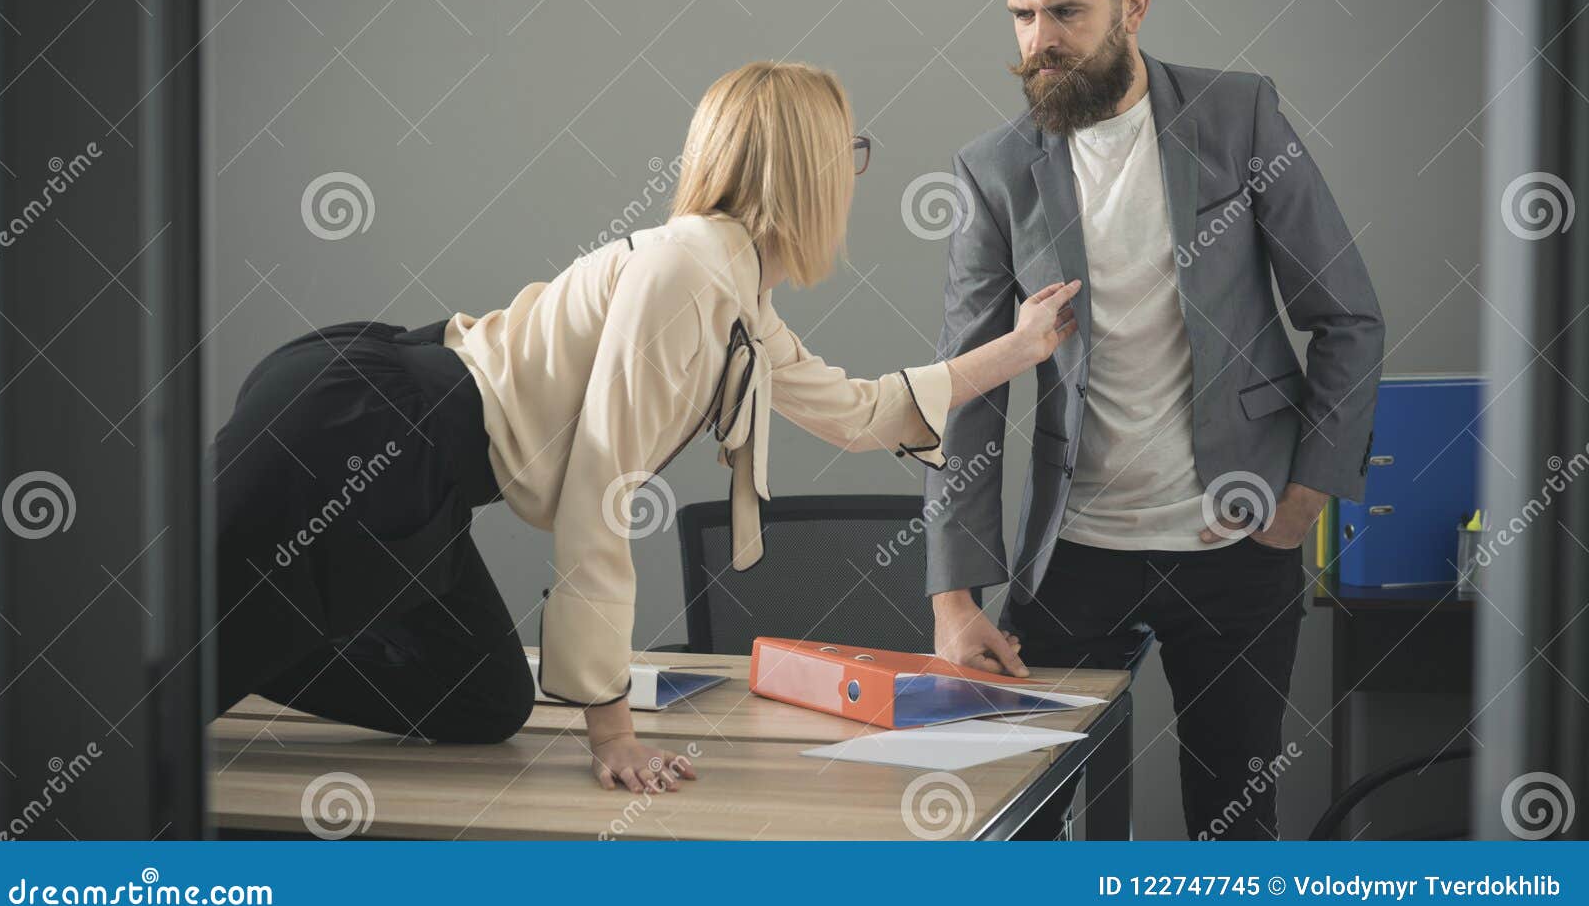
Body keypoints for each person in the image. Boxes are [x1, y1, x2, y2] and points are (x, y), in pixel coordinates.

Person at [210, 60, 1082, 795]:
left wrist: (1020, 347)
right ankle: (227, 655)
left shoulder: (737, 291)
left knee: (481, 703)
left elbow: (860, 413)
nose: (854, 175)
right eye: (847, 154)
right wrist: (611, 734)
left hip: (425, 468)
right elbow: (602, 490)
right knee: (157, 679)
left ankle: (251, 649)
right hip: (367, 433)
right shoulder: (689, 276)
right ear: (809, 169)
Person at [923, 0, 1385, 839]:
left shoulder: (1239, 116)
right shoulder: (995, 169)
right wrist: (952, 594)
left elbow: (1346, 314)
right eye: (1020, 12)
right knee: (1027, 822)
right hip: (1077, 553)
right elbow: (967, 386)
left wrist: (1307, 492)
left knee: (1233, 825)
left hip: (1238, 544)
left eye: (1065, 12)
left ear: (1133, 7)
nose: (1037, 38)